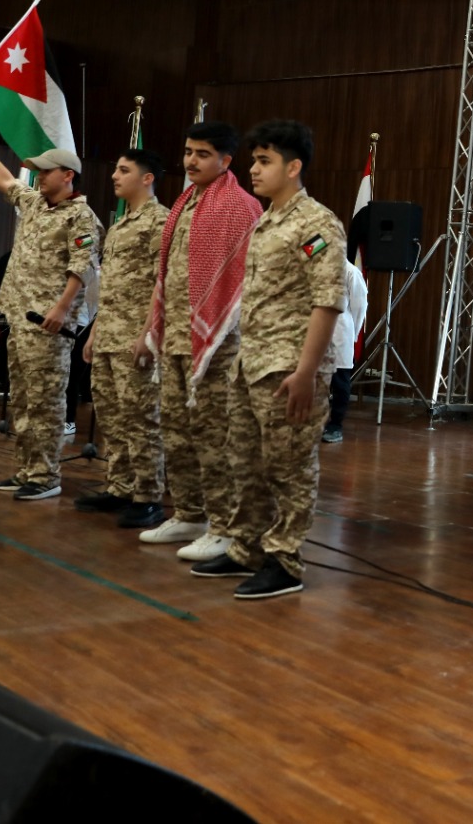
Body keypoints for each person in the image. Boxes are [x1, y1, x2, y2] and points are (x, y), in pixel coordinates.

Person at [190, 120, 345, 600]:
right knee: (247, 462)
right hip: (251, 363)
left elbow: (327, 302)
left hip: (288, 367)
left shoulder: (316, 223)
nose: (253, 170)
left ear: (293, 167)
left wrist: (306, 372)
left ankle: (285, 560)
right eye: (253, 161)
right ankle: (248, 548)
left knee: (288, 465)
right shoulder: (267, 219)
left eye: (264, 161)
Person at [134, 121, 263, 556]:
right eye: (189, 151)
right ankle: (190, 514)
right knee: (176, 430)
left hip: (217, 347)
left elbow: (243, 281)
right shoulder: (185, 202)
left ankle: (224, 526)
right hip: (175, 338)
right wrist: (150, 330)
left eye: (203, 154)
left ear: (226, 160)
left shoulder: (240, 206)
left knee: (214, 435)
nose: (191, 160)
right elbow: (167, 276)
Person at [0, 117, 100, 500]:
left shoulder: (81, 216)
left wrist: (61, 309)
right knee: (21, 398)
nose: (38, 176)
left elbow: (82, 267)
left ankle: (46, 476)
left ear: (67, 175)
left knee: (46, 401)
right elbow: (3, 179)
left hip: (49, 324)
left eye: (45, 171)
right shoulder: (35, 203)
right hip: (20, 317)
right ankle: (26, 470)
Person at [77, 149, 168, 528]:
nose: (115, 175)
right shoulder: (119, 225)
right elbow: (111, 289)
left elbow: (162, 284)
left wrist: (149, 334)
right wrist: (95, 332)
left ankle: (148, 496)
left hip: (136, 338)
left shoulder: (160, 221)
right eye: (115, 168)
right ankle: (120, 487)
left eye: (124, 170)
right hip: (109, 335)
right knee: (112, 418)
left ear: (147, 178)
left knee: (141, 419)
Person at [322, 260, 368, 444]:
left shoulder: (350, 271)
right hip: (312, 333)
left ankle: (335, 424)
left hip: (340, 332)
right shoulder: (313, 267)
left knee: (339, 381)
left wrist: (352, 333)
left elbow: (360, 306)